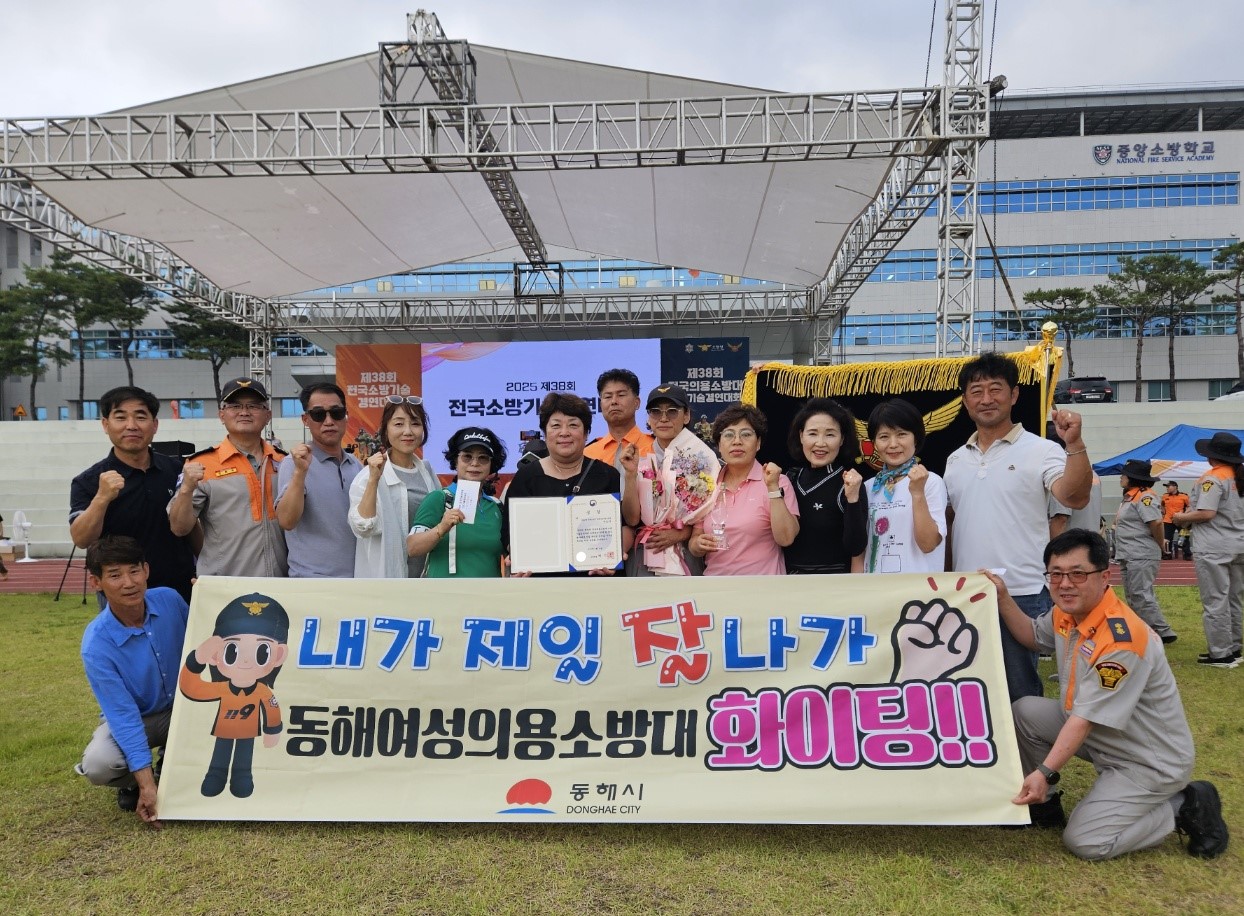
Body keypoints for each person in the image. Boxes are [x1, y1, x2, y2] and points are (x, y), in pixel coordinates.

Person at [984, 529, 1229, 861]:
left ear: (1104, 577)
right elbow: (1031, 635)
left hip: (1147, 759)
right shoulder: (1067, 612)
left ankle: (1183, 805)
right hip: (1105, 734)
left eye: (1077, 574)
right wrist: (1002, 597)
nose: (1065, 584)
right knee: (1025, 710)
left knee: (1087, 841)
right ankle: (1044, 805)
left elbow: (1083, 720)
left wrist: (1043, 771)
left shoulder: (1121, 639)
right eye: (1056, 574)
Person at [943, 353, 1092, 702]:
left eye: (996, 389)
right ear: (965, 401)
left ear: (1014, 395)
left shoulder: (1042, 450)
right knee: (969, 688)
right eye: (976, 391)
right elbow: (950, 525)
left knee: (1018, 690)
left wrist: (1074, 445)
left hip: (1020, 591)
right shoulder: (955, 459)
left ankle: (1026, 741)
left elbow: (1074, 496)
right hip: (966, 592)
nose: (986, 399)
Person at [75, 536, 188, 826]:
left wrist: (209, 595)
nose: (129, 583)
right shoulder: (96, 645)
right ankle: (139, 782)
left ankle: (172, 765)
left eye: (134, 571)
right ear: (96, 582)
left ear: (146, 570)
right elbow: (124, 717)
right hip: (140, 719)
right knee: (99, 764)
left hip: (186, 710)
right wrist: (146, 785)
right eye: (115, 575)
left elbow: (205, 640)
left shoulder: (170, 600)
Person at [70, 386, 197, 602]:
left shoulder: (177, 470)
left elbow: (192, 530)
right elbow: (81, 539)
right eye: (120, 417)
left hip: (179, 589)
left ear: (154, 425)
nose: (131, 425)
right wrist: (101, 498)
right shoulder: (89, 481)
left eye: (140, 417)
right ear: (105, 424)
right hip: (122, 592)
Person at [503, 392, 640, 576]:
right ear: (545, 433)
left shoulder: (607, 475)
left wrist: (613, 556)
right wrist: (519, 557)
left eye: (573, 425)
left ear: (586, 433)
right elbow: (509, 531)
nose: (564, 432)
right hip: (541, 584)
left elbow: (626, 525)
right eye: (556, 425)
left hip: (596, 581)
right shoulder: (526, 477)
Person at [167, 377, 288, 577]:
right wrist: (187, 489)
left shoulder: (285, 462)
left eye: (253, 406)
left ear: (268, 415)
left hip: (283, 582)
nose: (244, 412)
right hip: (226, 585)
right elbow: (179, 528)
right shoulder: (202, 464)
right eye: (235, 406)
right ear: (221, 415)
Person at [179, 592, 289, 798]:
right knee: (220, 753)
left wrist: (272, 731)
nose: (245, 661)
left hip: (248, 732)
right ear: (215, 655)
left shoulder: (262, 691)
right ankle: (215, 775)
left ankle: (242, 777)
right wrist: (196, 659)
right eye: (232, 650)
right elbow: (191, 688)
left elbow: (272, 709)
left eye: (262, 652)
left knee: (244, 756)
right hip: (224, 730)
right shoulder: (222, 688)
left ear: (279, 655)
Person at [689, 404, 799, 575]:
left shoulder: (777, 482)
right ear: (719, 445)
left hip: (762, 586)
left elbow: (786, 538)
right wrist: (698, 545)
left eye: (746, 434)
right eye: (728, 435)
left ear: (758, 443)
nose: (737, 441)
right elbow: (694, 541)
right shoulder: (707, 484)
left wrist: (772, 488)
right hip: (716, 584)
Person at [1172, 431, 1244, 668]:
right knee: (1234, 598)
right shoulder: (1238, 476)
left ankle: (1221, 653)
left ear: (1212, 456)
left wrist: (1180, 517)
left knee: (1215, 600)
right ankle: (1234, 647)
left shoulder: (1212, 478)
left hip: (1214, 546)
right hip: (1238, 543)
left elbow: (1206, 513)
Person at [275, 383, 362, 578]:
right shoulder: (294, 464)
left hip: (357, 580)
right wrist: (300, 473)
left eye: (336, 413)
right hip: (313, 581)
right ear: (305, 419)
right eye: (318, 414)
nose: (329, 421)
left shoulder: (356, 466)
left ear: (346, 416)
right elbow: (287, 521)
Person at [348, 395, 440, 578]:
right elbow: (362, 527)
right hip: (387, 583)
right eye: (398, 424)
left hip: (426, 582)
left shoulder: (427, 472)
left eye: (415, 424)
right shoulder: (368, 475)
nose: (408, 431)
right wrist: (374, 480)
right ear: (386, 429)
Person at [631, 383, 717, 577]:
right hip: (646, 548)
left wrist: (682, 532)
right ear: (648, 418)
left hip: (686, 551)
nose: (663, 418)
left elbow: (711, 510)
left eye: (672, 411)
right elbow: (629, 516)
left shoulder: (702, 457)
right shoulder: (637, 455)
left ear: (686, 416)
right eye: (655, 412)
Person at [407, 427, 507, 578]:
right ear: (455, 460)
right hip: (445, 592)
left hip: (489, 592)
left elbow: (509, 555)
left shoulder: (497, 506)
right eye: (467, 457)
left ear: (491, 464)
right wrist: (441, 528)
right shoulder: (439, 498)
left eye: (483, 458)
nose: (475, 463)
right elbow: (412, 548)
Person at [783, 398, 867, 575]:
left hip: (833, 583)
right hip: (789, 582)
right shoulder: (789, 479)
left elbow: (856, 547)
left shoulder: (849, 482)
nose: (820, 443)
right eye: (813, 433)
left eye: (830, 435)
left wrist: (853, 499)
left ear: (842, 439)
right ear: (801, 436)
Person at [864, 399, 946, 574]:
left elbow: (928, 544)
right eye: (884, 436)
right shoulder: (868, 487)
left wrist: (917, 493)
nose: (893, 444)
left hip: (917, 588)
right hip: (875, 588)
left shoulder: (931, 482)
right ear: (874, 443)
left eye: (901, 434)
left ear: (916, 438)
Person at [1113, 459, 1177, 643]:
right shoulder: (1131, 496)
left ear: (1133, 478)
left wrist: (1160, 544)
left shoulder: (1145, 496)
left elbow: (1155, 522)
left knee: (1141, 593)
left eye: (1124, 474)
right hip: (1129, 552)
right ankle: (1142, 628)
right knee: (1133, 594)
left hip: (1141, 552)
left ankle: (1162, 631)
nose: (1121, 477)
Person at [583, 369, 654, 469]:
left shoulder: (655, 446)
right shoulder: (587, 454)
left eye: (621, 395)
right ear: (600, 405)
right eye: (608, 397)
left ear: (637, 402)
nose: (614, 401)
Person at [1162, 480, 1193, 559]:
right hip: (1168, 520)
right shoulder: (1165, 496)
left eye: (1168, 486)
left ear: (1175, 487)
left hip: (1181, 521)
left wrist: (1185, 514)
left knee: (1184, 537)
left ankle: (1187, 555)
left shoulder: (1184, 496)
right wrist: (1163, 513)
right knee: (1167, 538)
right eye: (1166, 487)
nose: (1167, 488)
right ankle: (1167, 554)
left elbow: (1190, 506)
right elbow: (1162, 505)